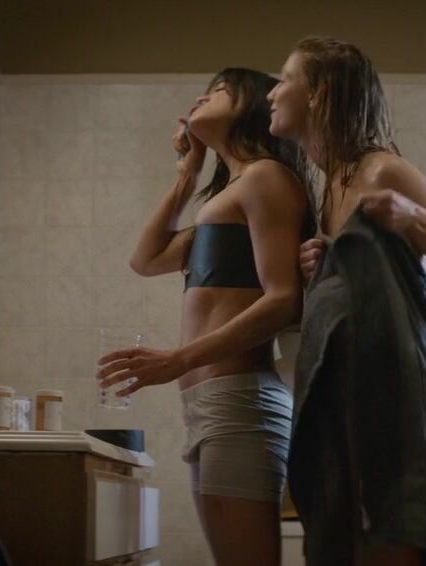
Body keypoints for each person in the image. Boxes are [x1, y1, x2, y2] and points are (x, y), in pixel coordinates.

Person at [266, 37, 426, 565]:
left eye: (285, 79)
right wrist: (326, 264)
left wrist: (414, 218)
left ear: (320, 94)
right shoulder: (330, 188)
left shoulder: (385, 171)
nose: (272, 93)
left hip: (402, 406)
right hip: (354, 405)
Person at [97, 68, 314, 566]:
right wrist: (186, 175)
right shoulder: (227, 197)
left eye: (218, 90)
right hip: (211, 405)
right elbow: (146, 259)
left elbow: (285, 299)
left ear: (252, 105)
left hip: (240, 402)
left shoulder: (266, 176)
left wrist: (177, 360)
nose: (201, 97)